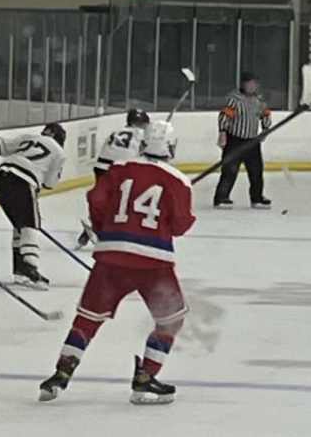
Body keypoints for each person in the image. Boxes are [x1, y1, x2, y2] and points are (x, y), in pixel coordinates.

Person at [38, 121, 194, 405]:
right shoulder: (178, 180)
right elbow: (181, 225)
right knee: (171, 319)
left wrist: (104, 229)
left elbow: (96, 200)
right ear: (171, 148)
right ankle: (146, 378)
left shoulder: (119, 170)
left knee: (88, 318)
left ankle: (60, 374)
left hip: (112, 254)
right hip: (154, 261)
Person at [0, 123, 66, 290]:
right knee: (31, 225)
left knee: (20, 227)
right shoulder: (59, 152)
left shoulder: (28, 138)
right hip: (24, 182)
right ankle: (29, 266)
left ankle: (19, 270)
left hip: (3, 180)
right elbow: (50, 183)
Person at [77, 109, 149, 247]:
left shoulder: (116, 131)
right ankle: (105, 231)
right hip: (120, 169)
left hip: (101, 167)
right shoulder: (142, 134)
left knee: (105, 201)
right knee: (121, 203)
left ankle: (92, 229)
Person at [213, 71, 272, 210]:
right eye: (248, 84)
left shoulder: (259, 100)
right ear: (243, 84)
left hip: (252, 141)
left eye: (253, 84)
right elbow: (224, 116)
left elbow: (265, 114)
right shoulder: (235, 99)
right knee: (230, 170)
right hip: (235, 141)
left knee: (256, 171)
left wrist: (265, 129)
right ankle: (221, 197)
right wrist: (222, 133)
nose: (251, 86)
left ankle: (257, 198)